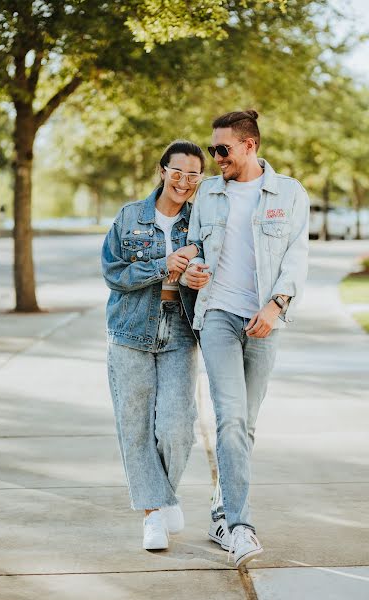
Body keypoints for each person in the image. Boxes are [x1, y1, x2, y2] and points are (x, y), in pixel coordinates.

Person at [181, 110, 310, 568]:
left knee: (246, 425)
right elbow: (195, 245)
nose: (216, 158)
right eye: (213, 149)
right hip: (217, 314)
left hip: (264, 320)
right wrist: (192, 268)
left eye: (223, 150)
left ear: (250, 145)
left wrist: (276, 306)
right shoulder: (209, 194)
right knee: (231, 418)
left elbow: (296, 255)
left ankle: (220, 510)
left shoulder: (288, 192)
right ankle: (239, 526)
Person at [101, 140, 204, 551]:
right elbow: (113, 273)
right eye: (176, 172)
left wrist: (199, 279)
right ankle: (152, 516)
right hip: (130, 332)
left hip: (179, 329)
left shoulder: (200, 223)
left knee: (177, 426)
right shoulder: (129, 217)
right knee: (136, 427)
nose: (183, 181)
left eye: (193, 174)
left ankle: (163, 496)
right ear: (162, 171)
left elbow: (215, 268)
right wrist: (163, 265)